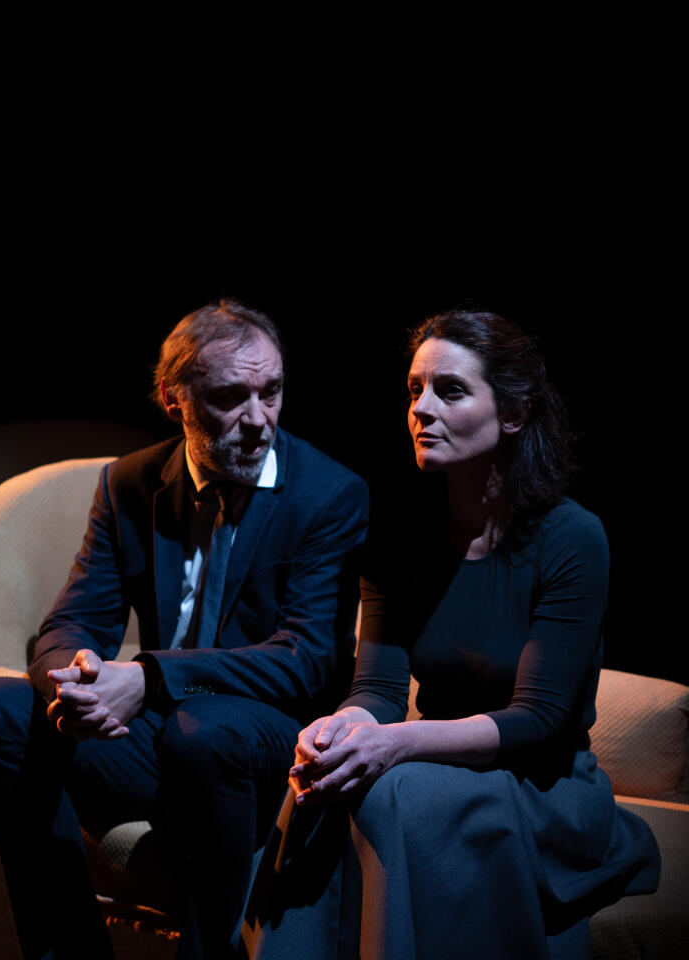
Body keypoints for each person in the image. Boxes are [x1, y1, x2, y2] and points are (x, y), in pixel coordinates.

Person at [0, 300, 369, 960]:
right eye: (230, 397)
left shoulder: (329, 493)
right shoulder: (130, 483)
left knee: (203, 733)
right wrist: (77, 681)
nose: (258, 418)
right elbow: (73, 620)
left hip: (267, 740)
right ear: (175, 400)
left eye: (271, 392)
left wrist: (147, 678)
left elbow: (304, 660)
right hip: (159, 735)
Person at [252, 309, 659, 960]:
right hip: (433, 764)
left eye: (450, 390)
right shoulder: (396, 537)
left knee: (392, 788)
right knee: (320, 783)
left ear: (514, 414)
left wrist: (394, 745)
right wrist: (340, 729)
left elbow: (538, 721)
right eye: (414, 389)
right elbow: (379, 691)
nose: (421, 409)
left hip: (540, 786)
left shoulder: (571, 538)